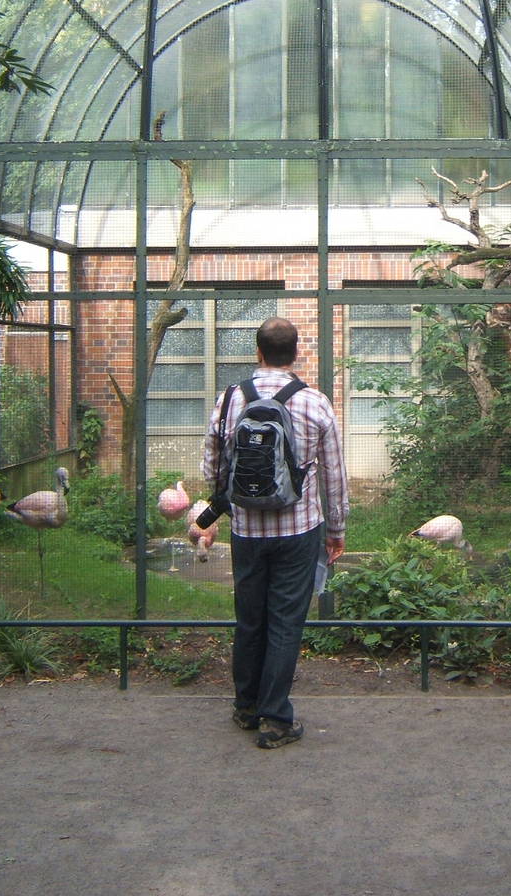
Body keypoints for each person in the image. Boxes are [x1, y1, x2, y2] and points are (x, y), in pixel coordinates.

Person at [202, 316, 348, 748]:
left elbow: (212, 461)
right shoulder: (315, 403)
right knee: (285, 621)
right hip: (299, 530)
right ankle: (274, 720)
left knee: (250, 619)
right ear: (296, 353)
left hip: (246, 530)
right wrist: (336, 529)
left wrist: (223, 501)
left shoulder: (230, 398)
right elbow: (335, 475)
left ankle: (246, 707)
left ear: (258, 352)